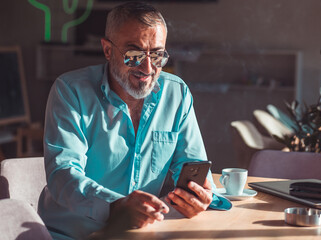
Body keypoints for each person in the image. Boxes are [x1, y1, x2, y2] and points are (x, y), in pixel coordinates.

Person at [38, 2, 231, 239]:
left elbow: (193, 168)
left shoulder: (176, 94)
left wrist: (198, 196)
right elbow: (63, 174)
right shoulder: (70, 91)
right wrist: (115, 206)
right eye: (134, 55)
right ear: (108, 50)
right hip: (74, 233)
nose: (148, 67)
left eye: (158, 55)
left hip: (142, 232)